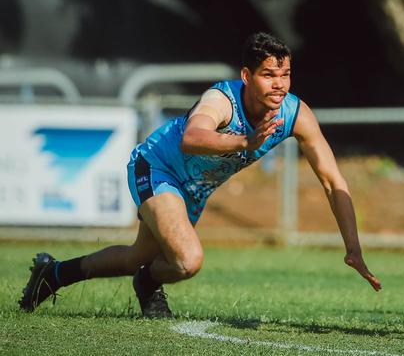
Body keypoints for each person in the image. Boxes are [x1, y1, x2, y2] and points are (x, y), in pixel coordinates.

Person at [19, 32, 382, 318]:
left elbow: (334, 181)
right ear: (246, 76)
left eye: (285, 75)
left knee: (135, 258)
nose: (279, 85)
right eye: (269, 75)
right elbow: (192, 139)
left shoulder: (294, 113)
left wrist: (352, 248)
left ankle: (54, 275)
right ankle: (147, 284)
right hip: (157, 167)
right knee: (187, 260)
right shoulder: (222, 99)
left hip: (192, 190)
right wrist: (244, 140)